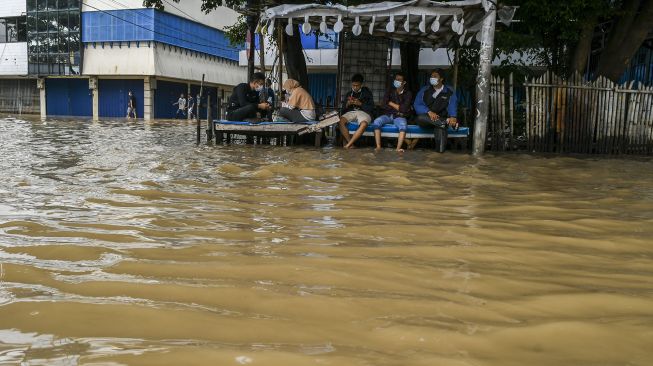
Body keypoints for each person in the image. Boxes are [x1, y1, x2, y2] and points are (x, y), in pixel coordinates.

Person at [413, 69, 458, 151]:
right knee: (420, 118)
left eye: (435, 76)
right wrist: (429, 112)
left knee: (440, 149)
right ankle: (445, 122)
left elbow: (452, 105)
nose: (432, 78)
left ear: (441, 79)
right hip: (426, 120)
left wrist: (453, 116)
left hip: (438, 122)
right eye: (431, 76)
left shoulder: (449, 91)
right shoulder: (424, 90)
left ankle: (443, 123)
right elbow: (417, 104)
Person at [372, 72, 413, 152]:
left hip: (399, 116)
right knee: (376, 122)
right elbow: (383, 105)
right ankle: (378, 146)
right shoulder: (390, 90)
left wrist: (390, 103)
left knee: (403, 126)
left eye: (399, 79)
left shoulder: (408, 93)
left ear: (404, 82)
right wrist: (397, 107)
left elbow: (404, 109)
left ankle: (398, 148)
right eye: (396, 79)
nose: (396, 81)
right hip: (388, 115)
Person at [338, 73, 375, 149]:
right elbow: (343, 109)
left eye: (357, 85)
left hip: (364, 112)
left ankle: (348, 144)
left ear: (361, 84)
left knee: (364, 124)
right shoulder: (349, 93)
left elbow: (371, 108)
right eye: (353, 85)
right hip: (351, 112)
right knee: (340, 121)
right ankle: (351, 144)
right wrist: (347, 104)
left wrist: (360, 104)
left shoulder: (367, 93)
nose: (355, 87)